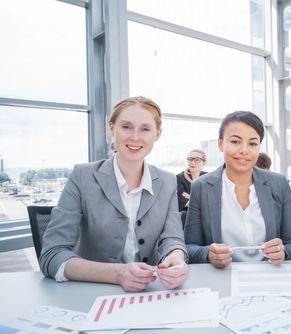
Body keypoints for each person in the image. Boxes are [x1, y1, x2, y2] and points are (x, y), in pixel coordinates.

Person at [40, 96, 188, 292]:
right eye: (126, 127)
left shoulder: (168, 181)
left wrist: (176, 257)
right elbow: (52, 254)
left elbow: (173, 239)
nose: (135, 137)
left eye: (145, 129)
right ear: (111, 128)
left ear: (157, 134)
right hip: (91, 292)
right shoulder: (82, 176)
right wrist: (117, 274)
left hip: (149, 292)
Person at [184, 111, 291, 268]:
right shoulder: (201, 186)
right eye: (235, 142)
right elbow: (189, 247)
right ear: (220, 144)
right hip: (222, 277)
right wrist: (208, 253)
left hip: (271, 275)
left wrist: (284, 252)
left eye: (253, 143)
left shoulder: (278, 184)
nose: (244, 150)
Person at [176, 149, 207, 226]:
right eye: (190, 159)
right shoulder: (179, 178)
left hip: (206, 216)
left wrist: (191, 198)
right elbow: (183, 202)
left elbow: (212, 200)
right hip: (187, 218)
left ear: (204, 162)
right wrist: (201, 200)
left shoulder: (208, 178)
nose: (193, 162)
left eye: (197, 160)